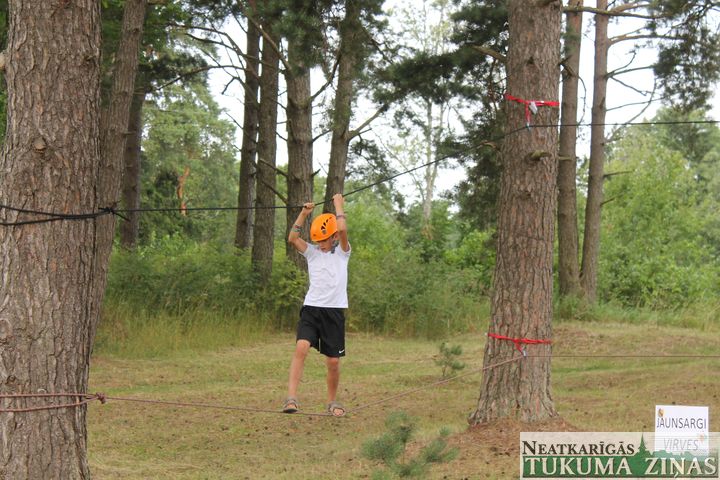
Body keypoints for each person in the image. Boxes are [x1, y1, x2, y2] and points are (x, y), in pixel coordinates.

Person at [283, 193, 350, 417]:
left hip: (334, 313)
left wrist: (338, 205)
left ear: (333, 237)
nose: (320, 244)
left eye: (324, 240)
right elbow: (292, 238)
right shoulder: (312, 253)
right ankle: (291, 398)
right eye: (318, 240)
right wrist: (303, 214)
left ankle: (332, 402)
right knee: (301, 347)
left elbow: (343, 229)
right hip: (311, 309)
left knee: (333, 361)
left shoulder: (342, 253)